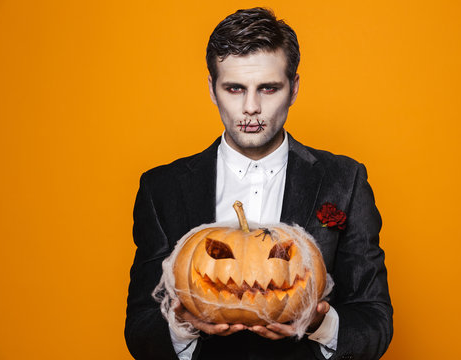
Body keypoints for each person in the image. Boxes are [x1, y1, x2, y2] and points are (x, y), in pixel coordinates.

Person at [125, 7, 392, 360]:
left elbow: (375, 319)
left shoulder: (345, 180)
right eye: (235, 88)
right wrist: (180, 324)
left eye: (268, 88)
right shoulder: (162, 189)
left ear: (294, 88)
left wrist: (318, 326)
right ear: (211, 88)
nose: (251, 107)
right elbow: (140, 326)